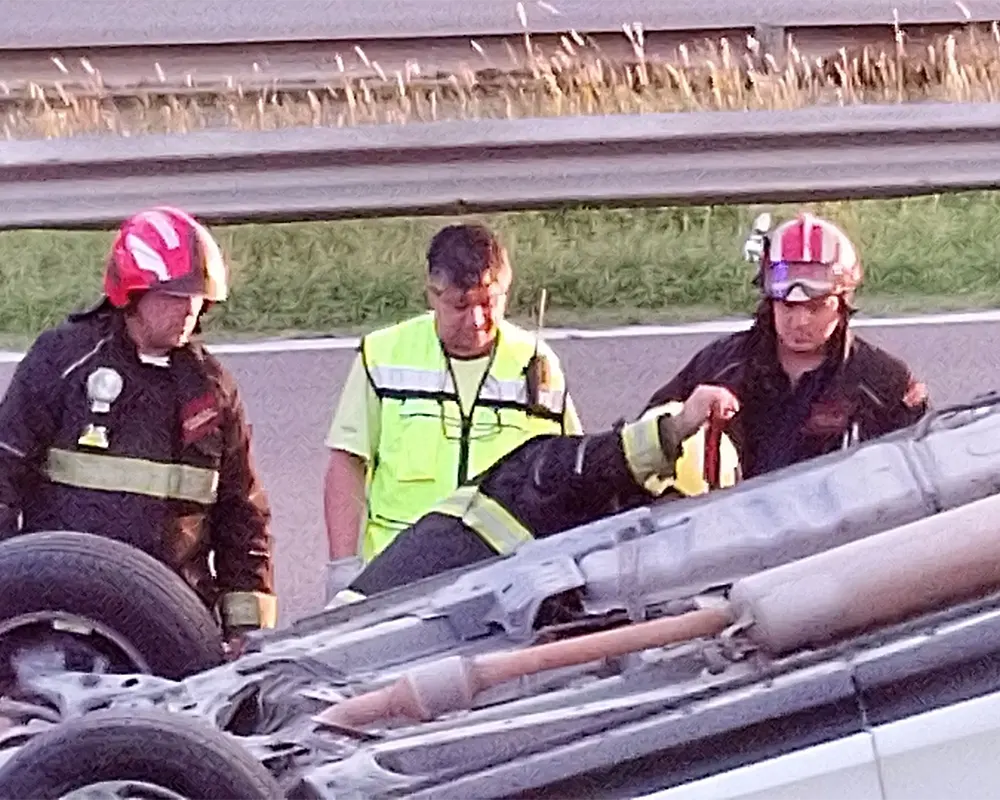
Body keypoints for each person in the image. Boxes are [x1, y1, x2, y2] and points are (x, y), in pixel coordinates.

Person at [0, 206, 276, 651]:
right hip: (62, 617)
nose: (188, 309)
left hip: (173, 620)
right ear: (132, 291)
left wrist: (246, 630)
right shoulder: (64, 362)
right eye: (172, 296)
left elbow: (241, 516)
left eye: (197, 297)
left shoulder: (211, 390)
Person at [323, 222, 583, 604]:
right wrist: (343, 569)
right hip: (397, 576)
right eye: (460, 305)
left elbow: (568, 471)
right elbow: (348, 462)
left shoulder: (537, 363)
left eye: (489, 302)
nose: (477, 321)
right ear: (433, 294)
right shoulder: (383, 356)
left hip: (504, 578)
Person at [334, 384, 741, 602]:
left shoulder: (605, 545)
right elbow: (599, 458)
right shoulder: (551, 472)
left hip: (414, 617)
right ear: (651, 489)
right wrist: (678, 427)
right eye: (672, 513)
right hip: (368, 620)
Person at [644, 211, 929, 480]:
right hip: (728, 523)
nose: (800, 321)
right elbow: (638, 454)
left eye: (816, 307)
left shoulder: (884, 382)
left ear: (842, 304)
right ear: (770, 301)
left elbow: (924, 472)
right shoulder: (720, 366)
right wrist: (681, 424)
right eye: (787, 306)